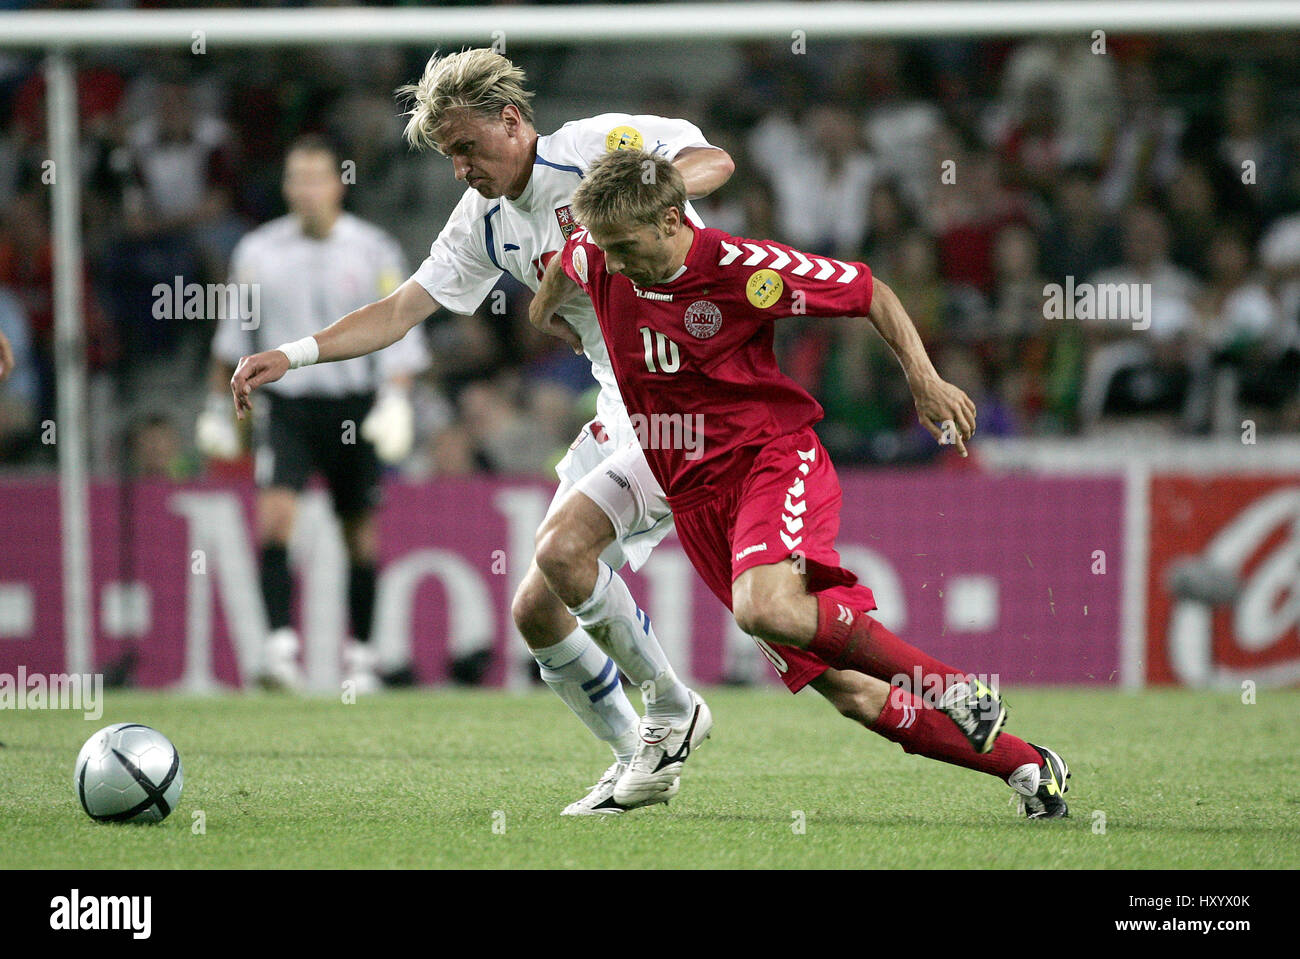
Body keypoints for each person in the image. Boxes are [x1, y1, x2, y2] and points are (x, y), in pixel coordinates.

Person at [530, 149, 1071, 818]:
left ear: (672, 220)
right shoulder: (600, 251)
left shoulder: (742, 270)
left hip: (770, 460)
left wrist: (924, 381)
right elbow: (571, 260)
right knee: (849, 692)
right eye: (604, 249)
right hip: (694, 502)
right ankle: (1026, 763)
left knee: (764, 607)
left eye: (625, 247)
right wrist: (548, 308)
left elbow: (867, 288)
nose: (611, 263)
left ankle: (950, 685)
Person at [203, 135, 428, 693]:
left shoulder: (374, 249)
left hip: (353, 404)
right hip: (288, 407)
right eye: (295, 179)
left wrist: (396, 397)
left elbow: (397, 334)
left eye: (315, 178)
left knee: (360, 535)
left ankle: (363, 658)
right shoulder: (256, 252)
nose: (305, 191)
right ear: (285, 188)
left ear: (338, 184)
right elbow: (234, 338)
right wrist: (215, 406)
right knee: (276, 520)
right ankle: (279, 650)